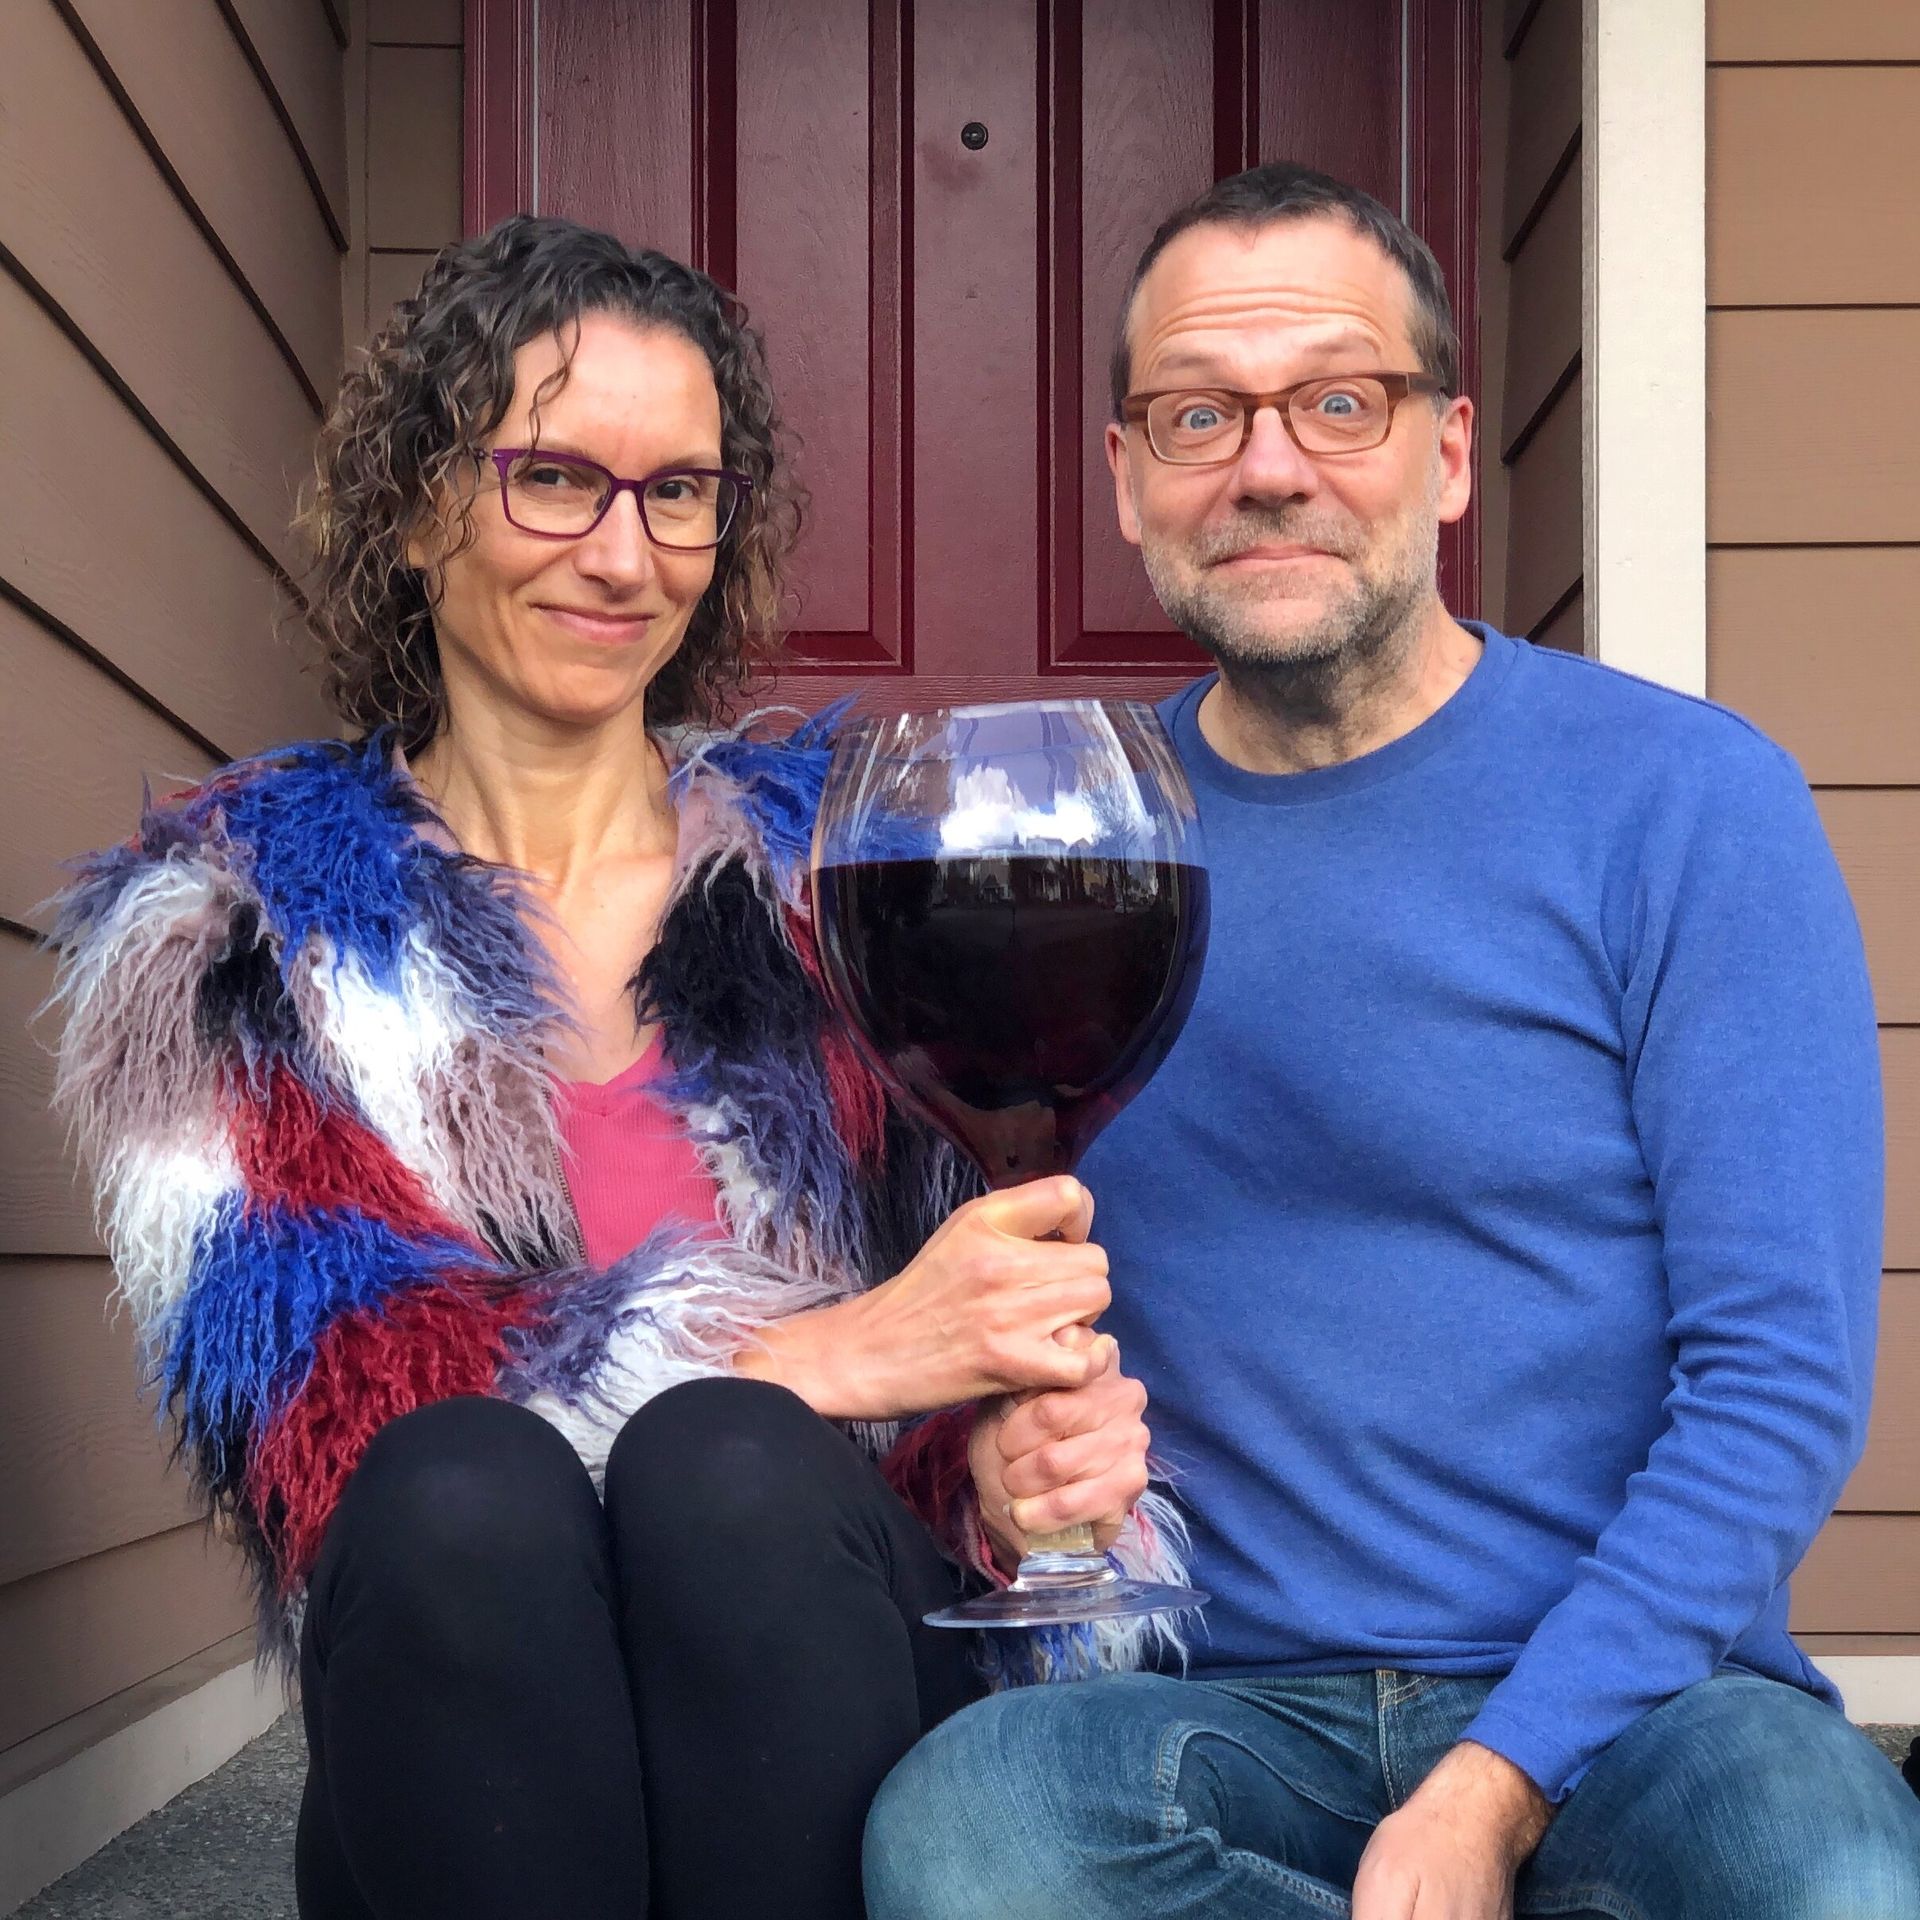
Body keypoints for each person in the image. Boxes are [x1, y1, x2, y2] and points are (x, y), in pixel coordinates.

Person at [47, 214, 1184, 1920]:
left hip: (815, 1692)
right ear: (423, 503)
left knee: (731, 1475)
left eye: (680, 493)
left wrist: (1024, 1476)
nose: (625, 553)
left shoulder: (839, 886)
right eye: (557, 479)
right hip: (465, 1741)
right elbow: (323, 1421)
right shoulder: (224, 930)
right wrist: (823, 1352)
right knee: (451, 1486)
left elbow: (962, 1375)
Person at [863, 163, 1920, 1918]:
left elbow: (1780, 1381)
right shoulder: (1072, 848)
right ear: (1128, 482)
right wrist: (996, 1463)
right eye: (1199, 413)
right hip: (1217, 1709)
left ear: (1442, 455)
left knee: (1819, 1872)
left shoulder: (1684, 802)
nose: (1268, 465)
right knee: (964, 1843)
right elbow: (966, 1287)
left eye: (1339, 401)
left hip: (1641, 1710)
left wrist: (1491, 1793)